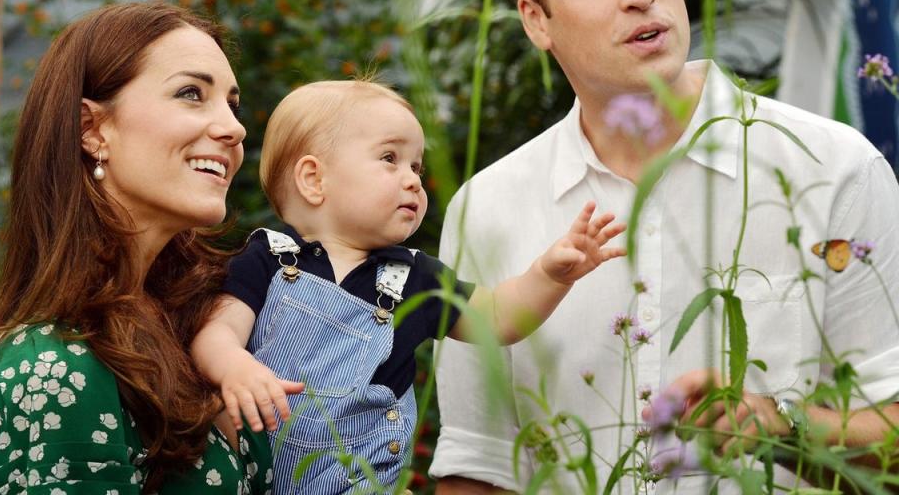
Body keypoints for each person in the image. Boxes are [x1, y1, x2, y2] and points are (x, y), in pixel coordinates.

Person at [430, 0, 899, 494]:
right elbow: (479, 466)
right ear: (537, 21)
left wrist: (781, 426)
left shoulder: (835, 169)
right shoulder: (486, 208)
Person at [189, 79, 626, 493]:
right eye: (389, 159)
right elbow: (217, 333)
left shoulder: (415, 276)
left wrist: (550, 275)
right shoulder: (269, 257)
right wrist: (235, 367)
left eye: (416, 165)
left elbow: (498, 319)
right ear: (314, 179)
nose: (413, 179)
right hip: (248, 478)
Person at [0, 2, 275, 493]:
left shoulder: (206, 330)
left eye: (232, 104)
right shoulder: (52, 362)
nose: (234, 127)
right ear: (91, 130)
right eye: (192, 93)